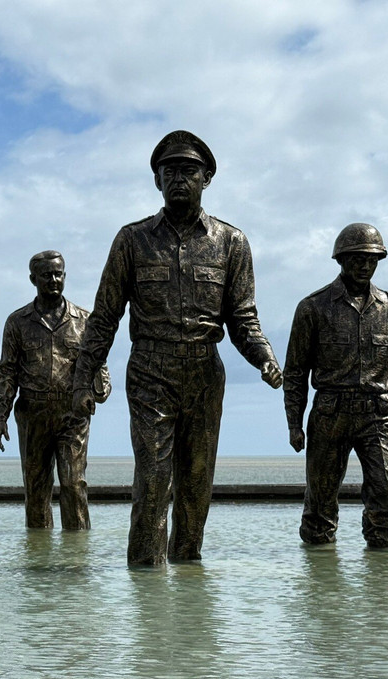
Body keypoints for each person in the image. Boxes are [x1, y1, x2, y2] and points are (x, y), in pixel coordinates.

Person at [73, 131, 283, 565]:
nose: (179, 180)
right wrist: (83, 376)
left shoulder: (231, 243)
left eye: (189, 171)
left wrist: (264, 357)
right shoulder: (131, 241)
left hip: (205, 372)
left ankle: (189, 591)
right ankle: (146, 583)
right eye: (169, 172)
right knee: (153, 479)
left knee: (196, 483)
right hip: (151, 370)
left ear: (207, 178)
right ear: (156, 181)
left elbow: (242, 318)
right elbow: (104, 316)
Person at [284, 223, 388, 548]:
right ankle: (319, 585)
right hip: (330, 414)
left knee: (386, 498)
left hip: (378, 415)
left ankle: (384, 586)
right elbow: (295, 373)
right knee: (319, 504)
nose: (364, 265)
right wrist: (294, 424)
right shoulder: (313, 307)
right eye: (357, 258)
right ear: (341, 259)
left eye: (371, 259)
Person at [0, 250, 111, 529]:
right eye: (47, 275)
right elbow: (8, 373)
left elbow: (102, 373)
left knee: (73, 485)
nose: (54, 279)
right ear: (33, 278)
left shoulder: (85, 321)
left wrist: (96, 389)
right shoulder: (17, 322)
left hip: (72, 415)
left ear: (65, 276)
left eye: (58, 273)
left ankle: (76, 559)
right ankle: (39, 561)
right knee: (36, 490)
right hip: (32, 413)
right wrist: (0, 416)